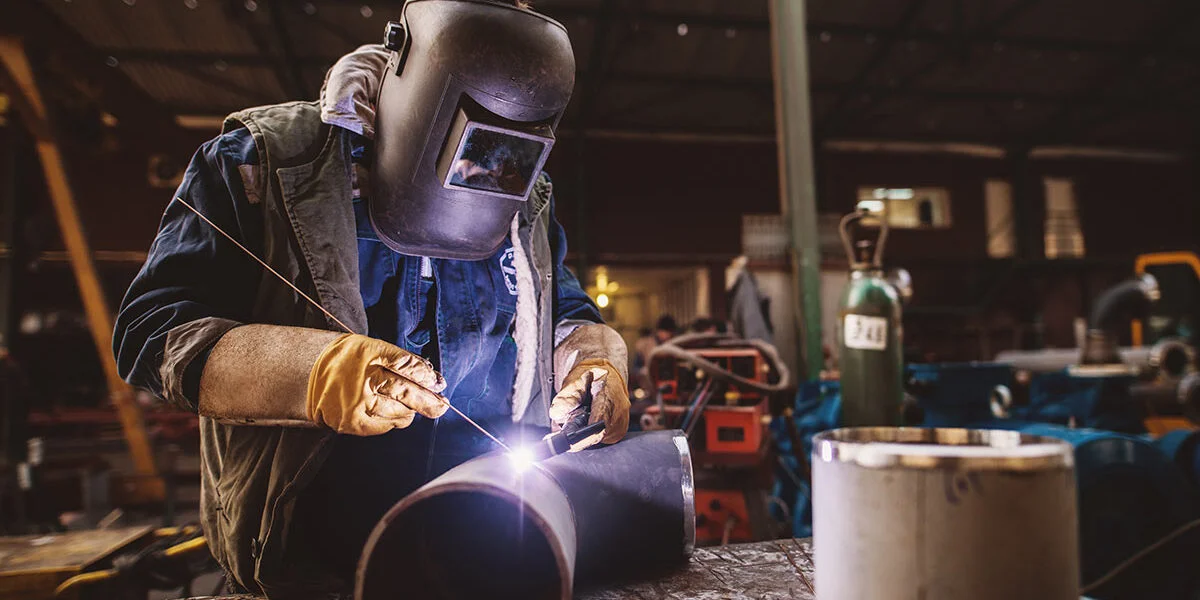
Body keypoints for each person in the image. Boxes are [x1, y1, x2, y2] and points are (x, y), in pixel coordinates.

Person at [111, 2, 629, 596]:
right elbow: (154, 333)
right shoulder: (263, 162)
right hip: (311, 569)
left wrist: (594, 361)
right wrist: (315, 372)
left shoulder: (526, 193)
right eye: (469, 146)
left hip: (491, 559)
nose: (487, 174)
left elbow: (564, 312)